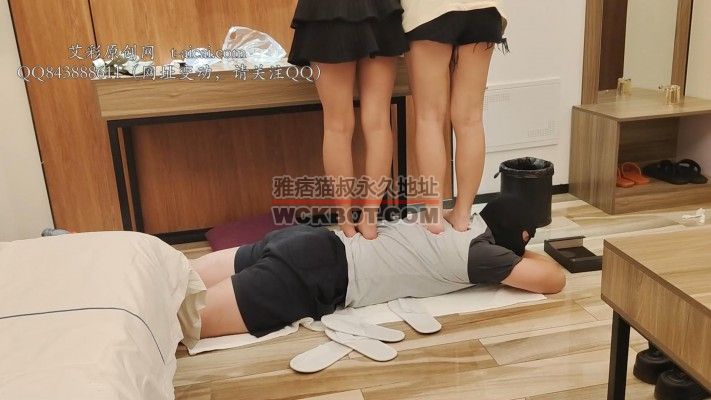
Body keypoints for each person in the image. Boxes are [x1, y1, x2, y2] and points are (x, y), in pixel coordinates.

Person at [192, 197, 565, 338]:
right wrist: (520, 251)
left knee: (180, 276)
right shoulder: (482, 255)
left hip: (308, 240)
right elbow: (553, 279)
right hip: (315, 275)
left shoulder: (448, 214)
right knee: (183, 320)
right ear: (520, 238)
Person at [288, 0, 409, 239]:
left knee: (337, 126)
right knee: (378, 122)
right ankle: (369, 220)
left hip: (327, 12)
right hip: (380, 9)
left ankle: (346, 223)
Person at [401, 0, 509, 234]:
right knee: (470, 120)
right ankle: (462, 215)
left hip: (429, 12)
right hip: (483, 9)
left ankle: (433, 216)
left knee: (429, 118)